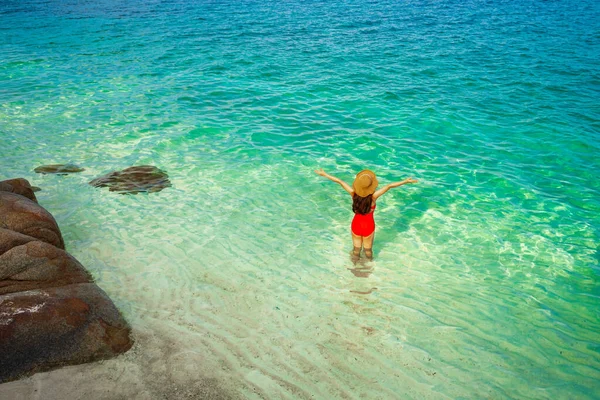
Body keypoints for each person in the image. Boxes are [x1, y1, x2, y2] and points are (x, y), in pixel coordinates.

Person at [315, 169, 418, 260]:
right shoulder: (373, 197)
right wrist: (405, 181)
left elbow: (339, 181)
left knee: (356, 249)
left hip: (356, 224)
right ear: (370, 186)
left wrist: (325, 174)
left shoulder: (353, 194)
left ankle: (354, 266)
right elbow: (389, 186)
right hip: (368, 226)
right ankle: (368, 267)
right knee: (368, 250)